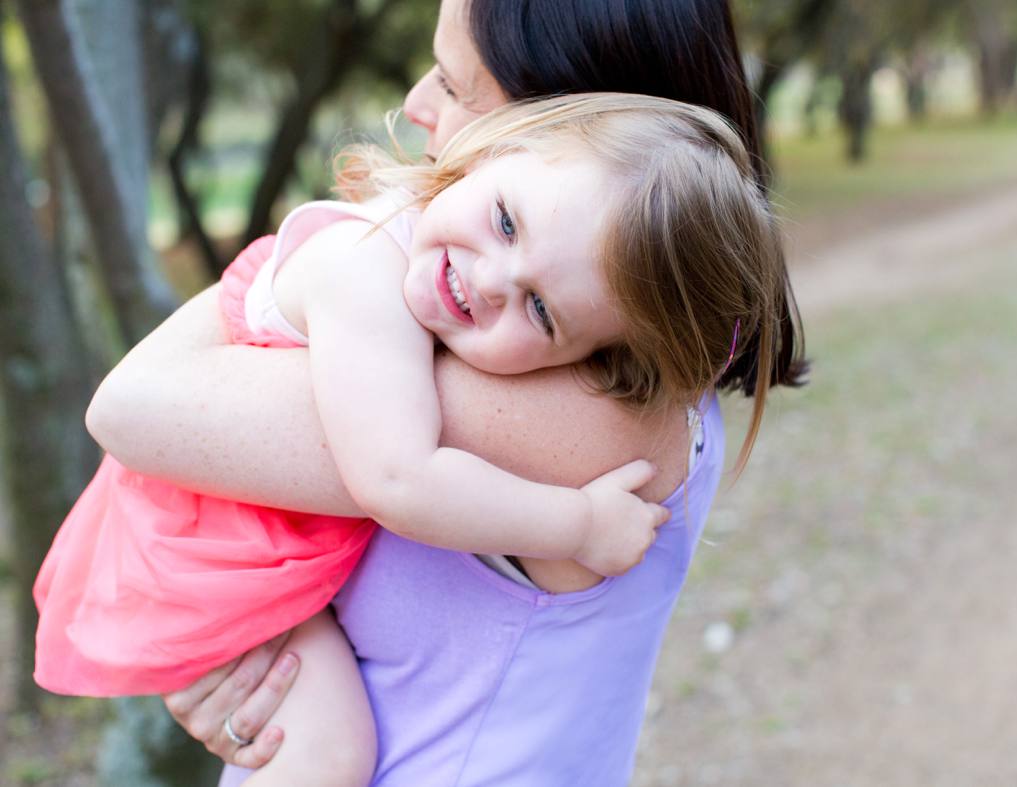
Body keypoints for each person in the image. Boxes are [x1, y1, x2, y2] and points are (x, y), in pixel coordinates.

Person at [85, 0, 807, 783]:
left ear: (562, 117)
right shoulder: (562, 336)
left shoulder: (588, 415)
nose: (419, 106)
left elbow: (137, 404)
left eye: (461, 87)